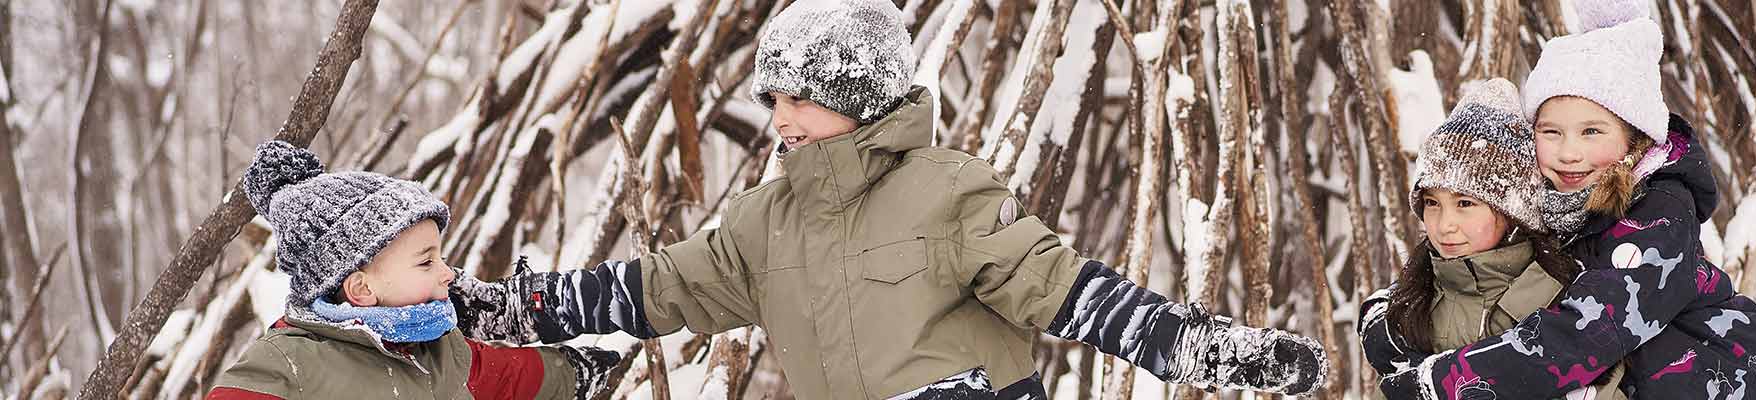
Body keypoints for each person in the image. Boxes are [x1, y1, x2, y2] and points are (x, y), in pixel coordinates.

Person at [448, 0, 1328, 398]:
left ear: (862, 97)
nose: (779, 117)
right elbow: (654, 290)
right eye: (774, 97)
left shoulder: (947, 190)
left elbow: (1066, 292)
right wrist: (523, 308)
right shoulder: (764, 221)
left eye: (800, 97)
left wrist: (1196, 347)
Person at [1376, 0, 1756, 398]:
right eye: (1550, 131)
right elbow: (1445, 283)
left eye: (1591, 131)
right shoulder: (1555, 204)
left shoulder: (1658, 217)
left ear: (1634, 136)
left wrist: (1443, 381)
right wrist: (1383, 329)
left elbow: (1585, 333)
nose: (1568, 152)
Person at [206, 141, 622, 400]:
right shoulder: (288, 363)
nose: (448, 274)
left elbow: (507, 380)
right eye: (426, 261)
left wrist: (578, 372)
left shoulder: (435, 350)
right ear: (361, 288)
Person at [1358, 79, 1622, 399]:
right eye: (1432, 203)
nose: (1445, 225)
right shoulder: (1410, 304)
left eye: (1465, 204)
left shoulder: (1565, 304)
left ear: (1512, 211)